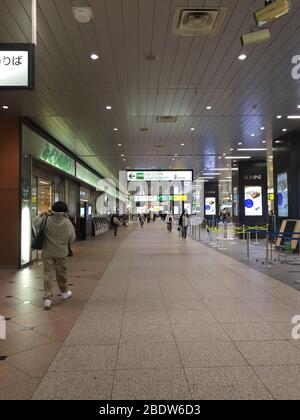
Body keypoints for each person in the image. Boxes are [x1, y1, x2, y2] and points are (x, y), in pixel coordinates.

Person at [33, 201, 76, 310]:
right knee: (61, 272)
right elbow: (71, 238)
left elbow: (35, 223)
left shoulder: (46, 219)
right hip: (61, 252)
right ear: (64, 211)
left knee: (48, 274)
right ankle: (64, 292)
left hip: (48, 252)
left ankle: (47, 298)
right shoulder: (67, 222)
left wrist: (41, 214)